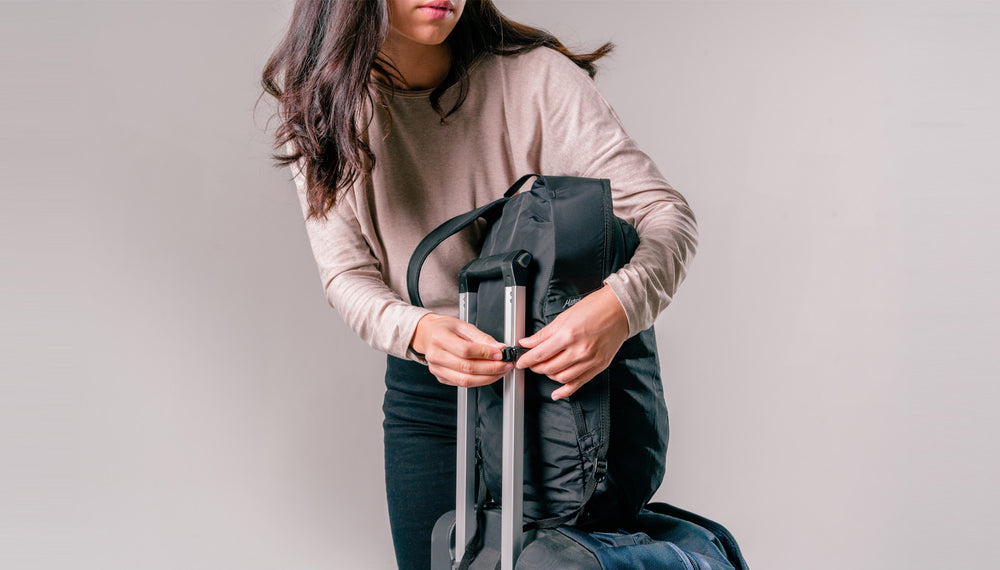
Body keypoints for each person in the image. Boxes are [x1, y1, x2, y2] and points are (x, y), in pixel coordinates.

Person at [261, 1, 698, 568]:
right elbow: (347, 274)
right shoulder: (326, 106)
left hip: (557, 390)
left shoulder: (536, 78)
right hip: (431, 396)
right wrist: (418, 331)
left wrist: (618, 307)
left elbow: (664, 214)